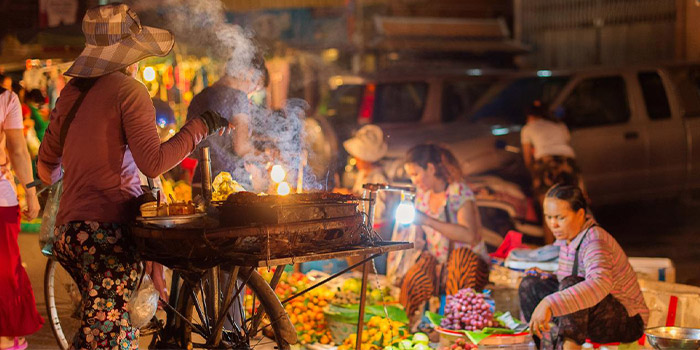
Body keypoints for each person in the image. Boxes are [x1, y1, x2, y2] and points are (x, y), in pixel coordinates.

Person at [37, 4, 230, 349]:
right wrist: (199, 128)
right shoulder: (130, 91)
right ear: (128, 55)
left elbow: (46, 167)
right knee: (113, 338)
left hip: (70, 234)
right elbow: (154, 163)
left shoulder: (71, 95)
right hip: (105, 237)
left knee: (99, 328)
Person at [518, 184, 648, 350]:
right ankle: (541, 346)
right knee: (531, 284)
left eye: (560, 217)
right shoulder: (568, 239)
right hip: (590, 313)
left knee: (571, 285)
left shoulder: (595, 240)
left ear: (580, 214)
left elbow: (599, 284)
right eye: (548, 217)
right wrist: (547, 278)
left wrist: (549, 302)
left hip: (627, 321)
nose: (553, 224)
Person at [398, 144, 490, 323]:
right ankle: (402, 326)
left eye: (415, 174)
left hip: (469, 262)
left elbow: (469, 236)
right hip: (439, 262)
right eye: (410, 175)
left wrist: (428, 221)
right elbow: (418, 234)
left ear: (430, 168)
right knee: (413, 279)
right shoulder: (422, 196)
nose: (413, 181)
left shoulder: (457, 191)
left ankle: (454, 328)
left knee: (459, 265)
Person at [0, 76, 43, 350]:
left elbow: (17, 149)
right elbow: (17, 149)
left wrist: (29, 190)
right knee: (4, 269)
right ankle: (4, 334)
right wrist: (30, 192)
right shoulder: (5, 99)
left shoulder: (8, 99)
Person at [186, 52, 269, 192]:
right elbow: (241, 147)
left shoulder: (199, 97)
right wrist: (264, 155)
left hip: (199, 182)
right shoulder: (238, 97)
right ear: (250, 72)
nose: (253, 91)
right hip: (228, 186)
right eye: (256, 84)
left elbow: (190, 149)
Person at [520, 100, 581, 244]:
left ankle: (551, 250)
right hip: (568, 164)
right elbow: (564, 145)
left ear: (529, 116)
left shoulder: (528, 128)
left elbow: (528, 160)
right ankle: (577, 246)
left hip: (546, 165)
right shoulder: (560, 126)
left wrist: (534, 175)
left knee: (548, 212)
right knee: (571, 208)